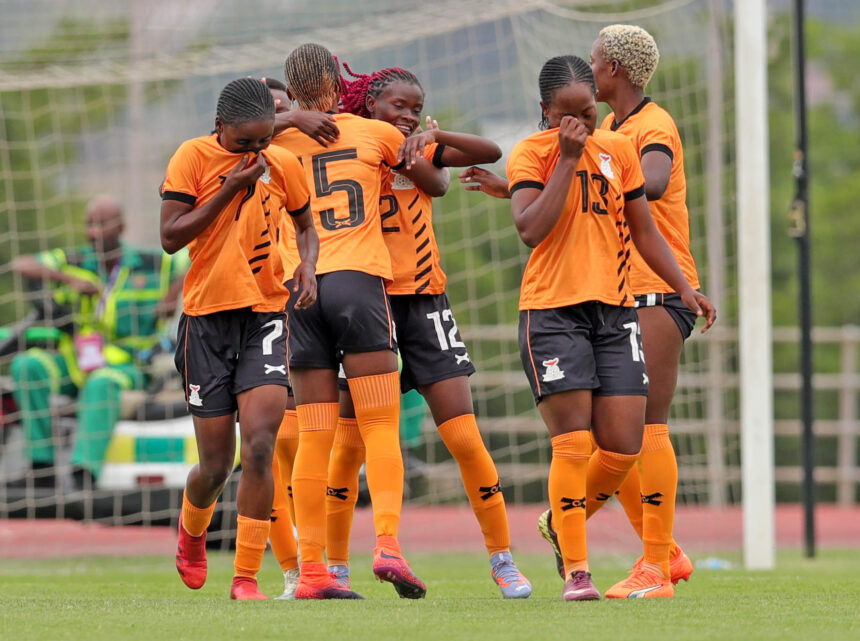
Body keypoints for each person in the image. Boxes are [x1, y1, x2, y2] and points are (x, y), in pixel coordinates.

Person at [503, 55, 715, 601]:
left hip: (616, 313)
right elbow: (530, 229)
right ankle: (579, 572)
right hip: (553, 314)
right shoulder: (532, 152)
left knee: (622, 446)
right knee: (573, 443)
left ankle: (566, 521)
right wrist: (568, 159)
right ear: (545, 111)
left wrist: (685, 287)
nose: (580, 123)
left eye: (587, 112)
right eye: (566, 115)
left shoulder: (620, 149)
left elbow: (644, 230)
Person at [323, 63, 532, 599]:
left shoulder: (416, 145)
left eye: (416, 107)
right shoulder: (356, 146)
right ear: (369, 106)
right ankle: (338, 566)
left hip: (425, 301)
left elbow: (482, 155)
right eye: (398, 106)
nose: (408, 115)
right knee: (351, 444)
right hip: (369, 302)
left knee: (463, 432)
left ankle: (503, 559)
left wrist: (430, 136)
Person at [270, 43, 429, 600]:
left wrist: (287, 116)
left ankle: (311, 570)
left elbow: (234, 132)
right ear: (340, 86)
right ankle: (387, 544)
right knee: (380, 425)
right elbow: (432, 178)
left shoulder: (269, 140)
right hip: (358, 283)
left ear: (290, 90)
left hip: (300, 289)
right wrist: (424, 137)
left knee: (314, 434)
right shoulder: (375, 135)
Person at [160, 77, 318, 600]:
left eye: (265, 141)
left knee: (258, 445)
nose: (257, 153)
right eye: (245, 143)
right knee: (214, 465)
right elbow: (170, 237)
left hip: (267, 314)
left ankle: (246, 578)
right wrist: (230, 187)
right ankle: (192, 530)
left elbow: (305, 224)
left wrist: (309, 267)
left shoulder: (284, 164)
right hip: (206, 321)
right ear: (219, 127)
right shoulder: (193, 158)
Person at [9, 195, 187, 490]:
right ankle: (41, 468)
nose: (93, 232)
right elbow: (22, 264)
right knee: (28, 364)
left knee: (100, 382)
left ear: (121, 227)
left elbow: (198, 254)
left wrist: (171, 296)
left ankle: (83, 472)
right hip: (77, 361)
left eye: (102, 224)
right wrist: (67, 279)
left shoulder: (151, 263)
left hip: (128, 365)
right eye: (89, 224)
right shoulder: (74, 261)